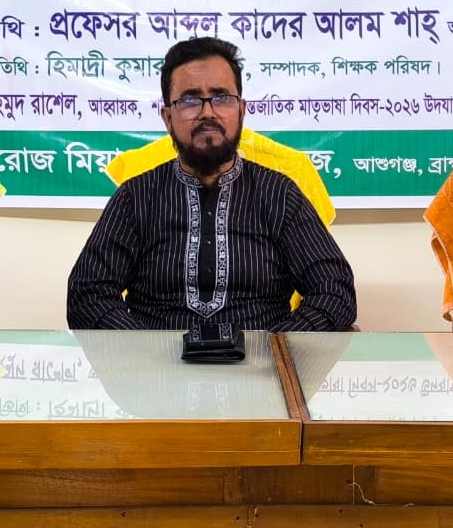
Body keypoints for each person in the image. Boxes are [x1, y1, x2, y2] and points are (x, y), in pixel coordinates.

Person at [66, 36, 356, 331]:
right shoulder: (137, 197)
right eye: (190, 100)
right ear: (168, 117)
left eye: (221, 97)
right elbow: (87, 295)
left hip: (260, 357)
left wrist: (276, 348)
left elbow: (334, 291)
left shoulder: (279, 195)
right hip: (158, 358)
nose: (207, 112)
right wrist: (147, 350)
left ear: (241, 111)